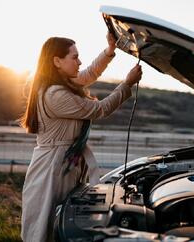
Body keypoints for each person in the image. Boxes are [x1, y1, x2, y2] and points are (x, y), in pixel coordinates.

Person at [20, 32, 142, 242]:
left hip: (63, 164)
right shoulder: (55, 94)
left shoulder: (60, 82)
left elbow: (89, 74)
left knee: (63, 222)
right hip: (52, 169)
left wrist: (109, 51)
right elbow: (100, 109)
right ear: (57, 61)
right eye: (74, 57)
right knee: (43, 228)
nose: (80, 61)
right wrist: (127, 84)